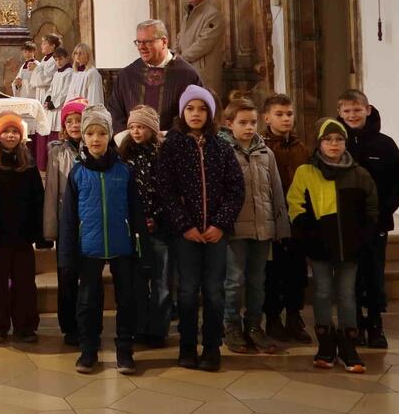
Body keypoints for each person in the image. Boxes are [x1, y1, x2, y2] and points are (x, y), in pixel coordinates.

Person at [155, 85, 245, 371]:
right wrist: (184, 225)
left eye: (202, 108)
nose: (196, 114)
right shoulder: (172, 146)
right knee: (187, 291)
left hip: (215, 233)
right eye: (190, 108)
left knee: (215, 292)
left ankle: (211, 348)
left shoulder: (222, 147)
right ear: (182, 112)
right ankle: (186, 347)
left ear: (211, 112)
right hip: (186, 234)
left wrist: (220, 223)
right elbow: (165, 191)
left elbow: (236, 190)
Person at [288, 119, 378, 373]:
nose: (334, 144)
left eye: (339, 139)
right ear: (319, 143)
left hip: (351, 245)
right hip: (320, 245)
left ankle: (349, 345)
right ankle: (325, 344)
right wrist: (309, 234)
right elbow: (295, 205)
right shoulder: (306, 172)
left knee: (348, 294)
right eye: (328, 140)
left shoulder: (359, 173)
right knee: (323, 292)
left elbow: (372, 208)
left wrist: (363, 235)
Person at [59, 105, 142, 375]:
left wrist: (142, 249)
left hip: (122, 245)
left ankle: (124, 350)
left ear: (110, 136)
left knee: (127, 299)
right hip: (88, 247)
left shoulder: (123, 171)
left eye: (102, 133)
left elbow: (136, 212)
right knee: (88, 301)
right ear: (83, 137)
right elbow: (69, 219)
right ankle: (88, 350)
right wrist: (68, 255)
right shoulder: (78, 173)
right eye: (90, 133)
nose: (96, 139)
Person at [219, 98, 289, 355]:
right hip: (235, 229)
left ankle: (253, 326)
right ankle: (231, 327)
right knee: (234, 280)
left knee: (258, 280)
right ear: (229, 124)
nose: (249, 128)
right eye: (243, 123)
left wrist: (280, 227)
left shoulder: (265, 153)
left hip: (263, 228)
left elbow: (276, 192)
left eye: (253, 122)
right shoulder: (224, 151)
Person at [336, 89, 399, 349]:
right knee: (349, 275)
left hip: (376, 223)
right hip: (343, 224)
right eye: (347, 111)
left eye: (357, 110)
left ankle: (375, 323)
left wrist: (384, 212)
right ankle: (353, 322)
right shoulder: (333, 140)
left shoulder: (385, 144)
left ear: (367, 109)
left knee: (374, 275)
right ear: (340, 113)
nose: (352, 115)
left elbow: (398, 181)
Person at [0, 112, 44, 344]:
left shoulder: (27, 161)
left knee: (25, 282)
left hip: (22, 233)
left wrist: (38, 232)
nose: (11, 135)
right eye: (6, 131)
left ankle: (25, 326)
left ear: (21, 135)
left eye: (15, 131)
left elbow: (38, 197)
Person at [261, 93, 313, 345]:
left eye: (289, 114)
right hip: (271, 218)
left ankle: (294, 316)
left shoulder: (301, 146)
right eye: (279, 114)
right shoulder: (263, 146)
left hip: (298, 218)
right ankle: (272, 318)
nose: (285, 119)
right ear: (267, 118)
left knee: (297, 272)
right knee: (273, 272)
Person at [120, 104, 170, 348]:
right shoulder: (124, 155)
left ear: (152, 129)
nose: (136, 131)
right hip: (135, 227)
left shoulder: (164, 154)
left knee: (162, 280)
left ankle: (158, 329)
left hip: (160, 226)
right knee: (138, 281)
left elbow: (170, 191)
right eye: (132, 127)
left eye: (141, 126)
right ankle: (139, 327)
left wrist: (157, 217)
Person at [43, 98, 87, 345]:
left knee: (88, 276)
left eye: (78, 120)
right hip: (66, 222)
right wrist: (51, 229)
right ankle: (69, 325)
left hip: (90, 222)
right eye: (69, 121)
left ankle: (88, 321)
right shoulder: (56, 152)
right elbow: (51, 191)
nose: (74, 125)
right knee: (67, 274)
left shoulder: (95, 145)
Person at [107, 19, 202, 132]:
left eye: (148, 41)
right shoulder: (127, 75)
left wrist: (170, 138)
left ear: (164, 42)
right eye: (138, 42)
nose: (141, 47)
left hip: (174, 145)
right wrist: (128, 140)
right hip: (132, 145)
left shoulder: (187, 75)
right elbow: (115, 112)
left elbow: (196, 112)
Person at [176, 0, 224, 96]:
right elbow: (179, 37)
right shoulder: (187, 15)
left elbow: (204, 43)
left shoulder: (212, 14)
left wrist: (182, 58)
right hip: (186, 68)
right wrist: (175, 53)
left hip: (203, 71)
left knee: (205, 104)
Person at [28, 34, 61, 169]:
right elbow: (36, 80)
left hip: (48, 93)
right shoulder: (44, 59)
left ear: (53, 46)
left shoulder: (54, 60)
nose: (41, 46)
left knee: (46, 125)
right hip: (41, 94)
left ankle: (45, 163)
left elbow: (44, 80)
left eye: (44, 43)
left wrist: (35, 70)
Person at [45, 47, 73, 147]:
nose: (58, 62)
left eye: (60, 59)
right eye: (56, 60)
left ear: (66, 58)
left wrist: (54, 103)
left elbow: (65, 92)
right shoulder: (57, 73)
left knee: (59, 134)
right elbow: (51, 88)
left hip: (61, 107)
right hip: (53, 109)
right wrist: (48, 98)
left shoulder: (69, 72)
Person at [64, 43, 104, 108]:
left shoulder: (92, 72)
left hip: (85, 110)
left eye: (81, 53)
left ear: (88, 56)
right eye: (76, 53)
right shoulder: (75, 73)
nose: (77, 55)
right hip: (74, 110)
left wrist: (90, 113)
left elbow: (94, 96)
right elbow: (70, 94)